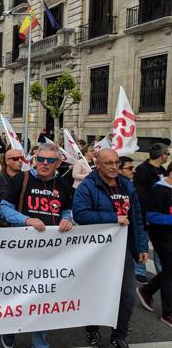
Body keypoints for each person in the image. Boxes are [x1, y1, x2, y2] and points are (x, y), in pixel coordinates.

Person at [0, 143, 73, 348]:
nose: (44, 164)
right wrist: (26, 220)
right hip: (21, 250)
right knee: (16, 295)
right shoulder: (21, 180)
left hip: (50, 252)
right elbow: (3, 209)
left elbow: (66, 210)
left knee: (44, 298)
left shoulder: (64, 185)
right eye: (41, 159)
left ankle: (39, 342)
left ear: (58, 163)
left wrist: (68, 219)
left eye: (50, 161)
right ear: (35, 160)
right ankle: (10, 330)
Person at [73, 148, 149, 348]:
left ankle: (119, 336)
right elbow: (80, 214)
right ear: (98, 165)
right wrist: (113, 219)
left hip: (122, 250)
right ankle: (92, 329)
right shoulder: (88, 186)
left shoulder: (126, 186)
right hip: (96, 252)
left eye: (116, 162)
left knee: (127, 296)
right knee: (97, 293)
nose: (114, 167)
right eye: (109, 163)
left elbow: (136, 217)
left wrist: (141, 246)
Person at [138, 162, 172, 328]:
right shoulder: (160, 189)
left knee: (169, 269)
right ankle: (168, 313)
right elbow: (152, 216)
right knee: (170, 270)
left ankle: (147, 290)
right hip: (161, 236)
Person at [133, 143, 168, 285]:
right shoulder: (142, 170)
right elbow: (141, 194)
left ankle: (162, 272)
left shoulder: (163, 170)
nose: (168, 157)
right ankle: (139, 271)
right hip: (146, 214)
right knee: (142, 242)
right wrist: (146, 213)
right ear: (162, 155)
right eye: (168, 154)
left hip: (160, 215)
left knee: (161, 245)